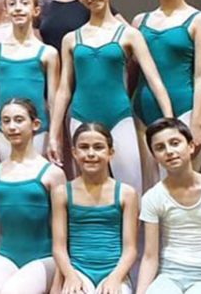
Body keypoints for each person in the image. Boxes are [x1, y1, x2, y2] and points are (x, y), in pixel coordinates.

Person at [50, 0, 173, 195]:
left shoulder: (130, 34)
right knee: (84, 189)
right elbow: (64, 89)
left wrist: (170, 121)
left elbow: (154, 79)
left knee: (132, 187)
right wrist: (54, 134)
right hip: (80, 116)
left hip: (119, 116)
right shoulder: (71, 39)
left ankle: (133, 221)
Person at [132, 0, 201, 172]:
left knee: (178, 185)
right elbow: (132, 72)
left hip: (184, 113)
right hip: (141, 115)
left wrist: (197, 122)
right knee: (145, 188)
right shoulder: (140, 21)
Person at [0, 99, 65, 294]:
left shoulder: (52, 174)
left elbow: (62, 235)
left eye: (19, 120)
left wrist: (58, 283)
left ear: (35, 124)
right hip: (7, 257)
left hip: (44, 259)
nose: (12, 127)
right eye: (6, 121)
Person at [137, 118, 201, 294]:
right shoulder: (152, 197)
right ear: (154, 156)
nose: (169, 151)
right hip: (168, 276)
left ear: (190, 146)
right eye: (160, 147)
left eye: (175, 143)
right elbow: (150, 256)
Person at [51, 122, 138, 294]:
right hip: (77, 271)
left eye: (98, 147)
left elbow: (130, 249)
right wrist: (70, 276)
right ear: (74, 152)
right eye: (84, 147)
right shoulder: (62, 193)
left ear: (111, 152)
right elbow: (59, 247)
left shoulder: (126, 193)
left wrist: (115, 278)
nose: (91, 154)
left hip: (114, 272)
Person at [0, 0, 58, 164]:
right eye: (12, 4)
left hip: (39, 129)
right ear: (6, 11)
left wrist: (55, 137)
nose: (18, 8)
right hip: (3, 129)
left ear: (35, 10)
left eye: (24, 3)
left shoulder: (48, 53)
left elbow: (53, 100)